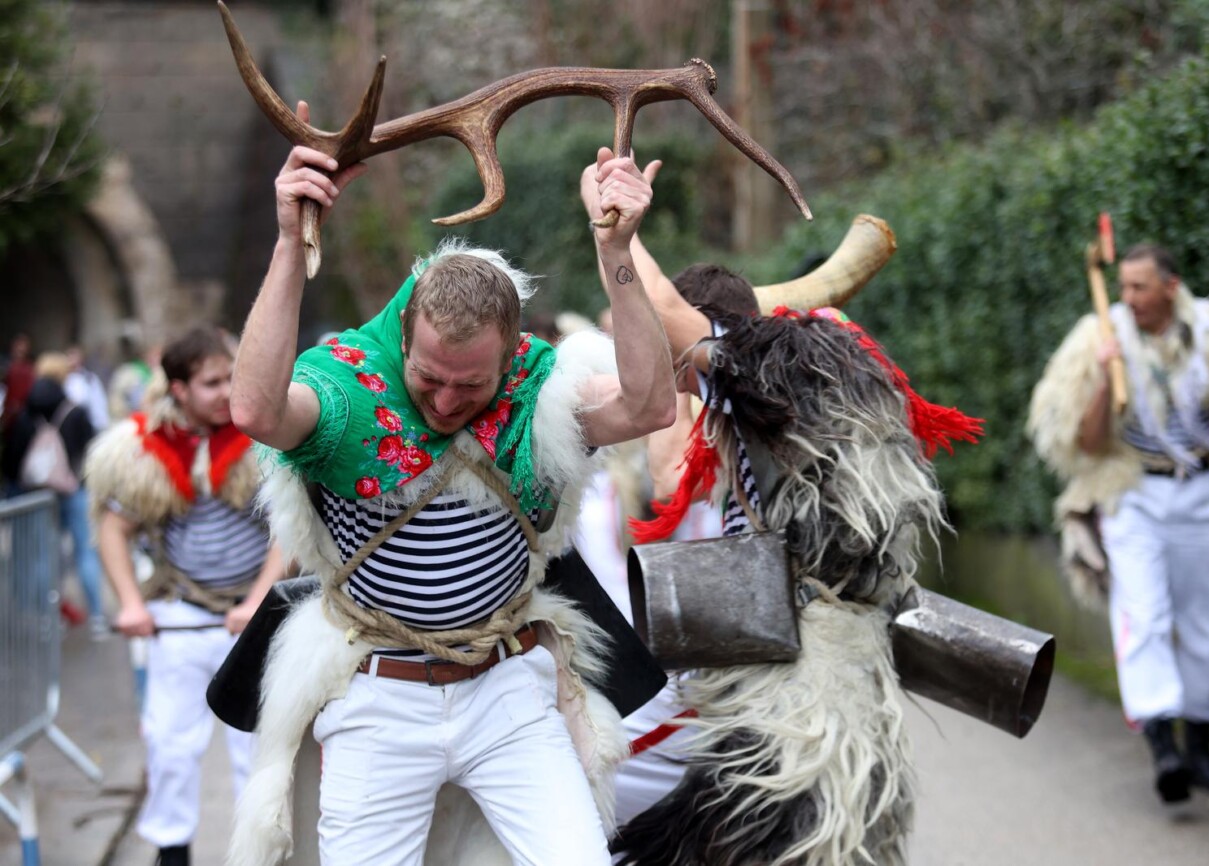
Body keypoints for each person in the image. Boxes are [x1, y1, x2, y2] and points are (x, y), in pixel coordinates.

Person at [224, 119, 674, 866]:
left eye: (471, 385)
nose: (443, 401)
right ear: (405, 337)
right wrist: (285, 247)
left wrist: (616, 255)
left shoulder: (540, 391)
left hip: (509, 691)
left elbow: (650, 406)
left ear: (512, 356)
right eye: (428, 378)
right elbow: (256, 412)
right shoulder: (345, 388)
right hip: (376, 696)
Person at [579, 157, 981, 865]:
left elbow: (672, 322)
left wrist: (614, 232)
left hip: (800, 694)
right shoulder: (803, 388)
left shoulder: (763, 369)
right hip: (828, 679)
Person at [1028, 243, 1209, 804]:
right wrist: (1106, 379)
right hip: (1133, 496)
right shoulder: (1100, 337)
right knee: (1145, 615)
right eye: (1123, 286)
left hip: (1200, 490)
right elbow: (1087, 442)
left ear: (1170, 287)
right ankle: (1163, 747)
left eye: (1140, 287)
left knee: (1204, 623)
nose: (1129, 298)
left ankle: (1200, 747)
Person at [84, 326, 286, 866]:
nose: (225, 391)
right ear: (178, 389)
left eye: (230, 378)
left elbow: (291, 531)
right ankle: (172, 849)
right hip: (182, 612)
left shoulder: (264, 437)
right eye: (210, 383)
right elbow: (112, 528)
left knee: (257, 750)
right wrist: (130, 602)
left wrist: (257, 603)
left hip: (253, 619)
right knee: (170, 745)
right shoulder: (145, 449)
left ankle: (260, 854)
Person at [1, 357, 106, 633]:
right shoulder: (75, 410)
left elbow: (14, 456)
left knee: (43, 556)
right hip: (74, 489)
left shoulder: (26, 412)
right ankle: (97, 616)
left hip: (38, 495)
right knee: (85, 551)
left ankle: (48, 616)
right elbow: (93, 451)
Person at [64, 344, 112, 432]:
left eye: (76, 356)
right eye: (70, 356)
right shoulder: (63, 378)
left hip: (87, 423)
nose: (73, 360)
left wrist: (102, 424)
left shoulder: (90, 379)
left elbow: (98, 402)